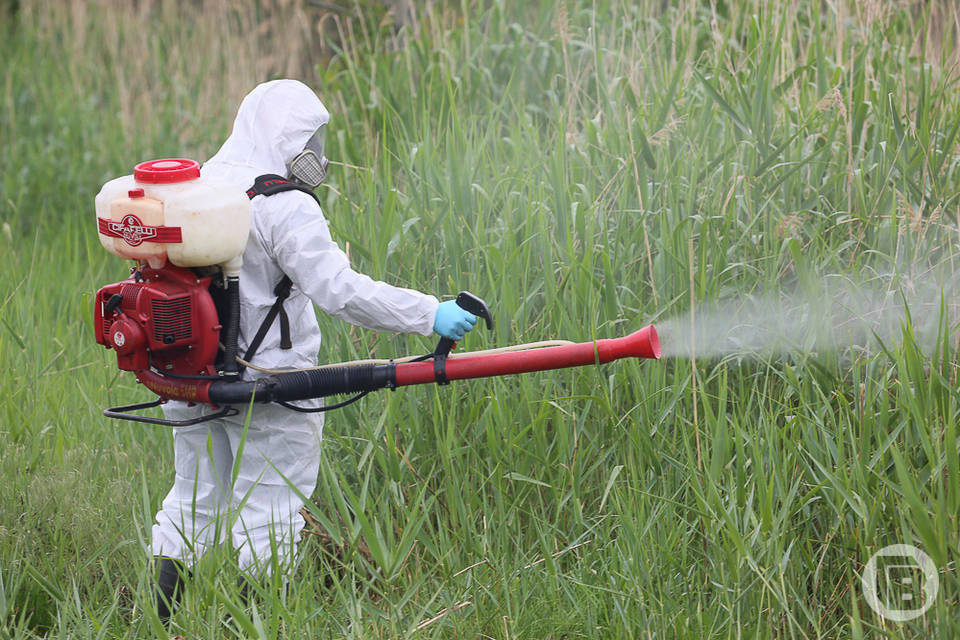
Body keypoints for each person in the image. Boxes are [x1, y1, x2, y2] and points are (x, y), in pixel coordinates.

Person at [149, 79, 477, 620]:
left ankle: (160, 622)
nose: (316, 154)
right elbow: (339, 290)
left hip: (186, 377)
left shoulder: (196, 188)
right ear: (288, 136)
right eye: (310, 139)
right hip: (271, 382)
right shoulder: (284, 206)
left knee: (193, 498)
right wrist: (429, 313)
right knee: (270, 511)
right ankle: (260, 627)